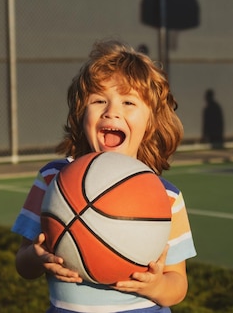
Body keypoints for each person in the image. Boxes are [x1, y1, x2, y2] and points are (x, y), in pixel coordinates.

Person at [11, 39, 197, 313]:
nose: (112, 111)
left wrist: (155, 286)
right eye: (99, 100)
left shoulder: (166, 197)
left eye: (128, 102)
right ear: (81, 113)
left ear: (151, 122)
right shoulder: (54, 179)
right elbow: (23, 263)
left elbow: (178, 284)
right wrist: (37, 259)